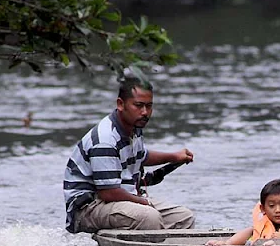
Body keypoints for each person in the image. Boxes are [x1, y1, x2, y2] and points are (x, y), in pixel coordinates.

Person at [63, 76, 196, 234]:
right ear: (121, 104)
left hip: (118, 199)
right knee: (149, 217)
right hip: (89, 208)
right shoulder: (105, 140)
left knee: (183, 218)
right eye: (138, 106)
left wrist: (174, 157)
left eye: (149, 106)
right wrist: (142, 202)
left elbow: (142, 156)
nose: (145, 112)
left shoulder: (133, 127)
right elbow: (109, 192)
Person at [206, 179, 280, 246]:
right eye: (271, 206)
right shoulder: (258, 227)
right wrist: (226, 244)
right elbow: (249, 232)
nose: (277, 210)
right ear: (262, 209)